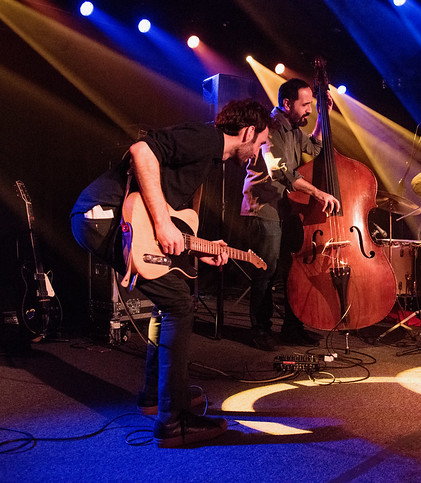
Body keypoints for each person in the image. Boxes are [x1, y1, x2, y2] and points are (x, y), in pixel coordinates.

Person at [70, 99, 271, 448]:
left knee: (172, 299)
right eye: (261, 143)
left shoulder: (209, 156)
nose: (259, 153)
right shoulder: (206, 138)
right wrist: (163, 225)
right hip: (104, 216)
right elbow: (141, 151)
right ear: (248, 132)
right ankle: (174, 422)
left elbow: (172, 215)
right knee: (179, 303)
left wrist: (198, 247)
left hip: (105, 219)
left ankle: (155, 397)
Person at [241, 78, 340, 351]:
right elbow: (282, 172)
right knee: (266, 271)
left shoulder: (293, 128)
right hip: (265, 208)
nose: (309, 109)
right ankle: (260, 330)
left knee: (293, 271)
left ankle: (292, 328)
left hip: (286, 208)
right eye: (305, 105)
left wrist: (323, 117)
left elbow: (314, 148)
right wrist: (318, 193)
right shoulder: (271, 127)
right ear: (287, 103)